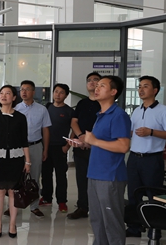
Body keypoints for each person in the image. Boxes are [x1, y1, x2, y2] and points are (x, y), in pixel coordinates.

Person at [71, 75, 130, 245]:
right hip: (94, 172)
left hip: (110, 175)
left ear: (113, 92)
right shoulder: (101, 114)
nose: (96, 88)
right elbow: (100, 143)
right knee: (96, 216)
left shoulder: (118, 115)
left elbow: (123, 146)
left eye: (102, 85)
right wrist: (85, 143)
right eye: (96, 85)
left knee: (112, 220)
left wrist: (94, 141)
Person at [126, 75, 166, 238]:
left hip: (152, 159)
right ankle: (134, 228)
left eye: (145, 86)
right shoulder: (136, 110)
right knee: (133, 194)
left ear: (155, 90)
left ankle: (154, 230)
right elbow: (131, 132)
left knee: (153, 196)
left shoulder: (164, 111)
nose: (141, 89)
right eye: (139, 86)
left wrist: (151, 132)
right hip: (134, 158)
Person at [0, 85, 30, 238]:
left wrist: (28, 161)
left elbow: (24, 141)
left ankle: (12, 224)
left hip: (16, 160)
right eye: (1, 93)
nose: (3, 96)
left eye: (7, 93)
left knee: (13, 192)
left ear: (14, 97)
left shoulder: (21, 118)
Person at [13, 80, 51, 217]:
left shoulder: (42, 109)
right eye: (22, 89)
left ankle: (34, 206)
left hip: (35, 146)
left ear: (33, 92)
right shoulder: (15, 109)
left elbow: (45, 130)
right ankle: (14, 206)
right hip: (18, 148)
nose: (24, 92)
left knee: (34, 177)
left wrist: (45, 150)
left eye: (27, 89)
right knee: (16, 177)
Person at [67, 71, 102, 220]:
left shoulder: (105, 103)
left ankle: (98, 208)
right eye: (89, 80)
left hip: (99, 148)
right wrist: (81, 136)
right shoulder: (82, 103)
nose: (92, 82)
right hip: (81, 147)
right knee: (81, 179)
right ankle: (82, 207)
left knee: (98, 180)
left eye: (95, 80)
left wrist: (91, 141)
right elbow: (74, 121)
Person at [40, 83, 73, 213]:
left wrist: (67, 146)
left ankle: (62, 201)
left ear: (66, 95)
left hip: (60, 147)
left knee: (61, 176)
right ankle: (46, 197)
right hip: (46, 146)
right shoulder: (46, 108)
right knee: (46, 174)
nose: (58, 94)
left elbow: (74, 129)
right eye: (56, 91)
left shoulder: (69, 111)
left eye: (61, 92)